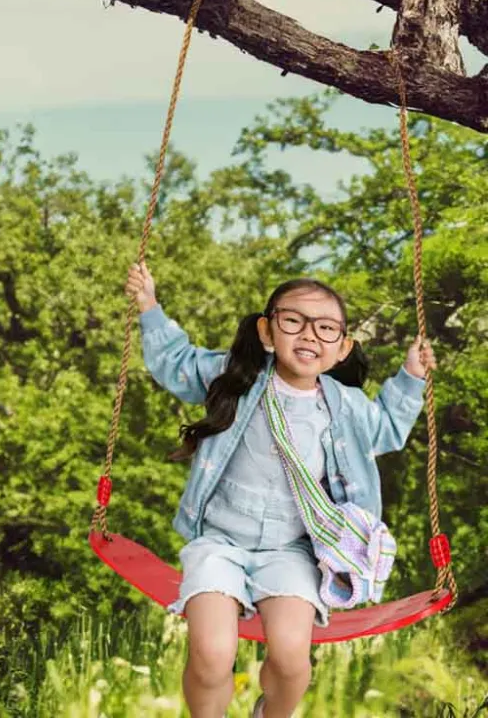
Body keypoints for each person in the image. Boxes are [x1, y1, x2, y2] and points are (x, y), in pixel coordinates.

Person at [124, 262, 436, 718]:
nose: (310, 335)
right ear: (268, 331)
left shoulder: (343, 404)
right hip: (220, 544)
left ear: (343, 348)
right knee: (212, 652)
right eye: (294, 321)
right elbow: (176, 363)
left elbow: (387, 428)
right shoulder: (236, 379)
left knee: (292, 661)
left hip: (291, 551)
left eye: (326, 328)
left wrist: (411, 376)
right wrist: (149, 306)